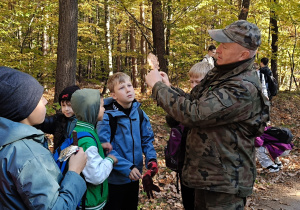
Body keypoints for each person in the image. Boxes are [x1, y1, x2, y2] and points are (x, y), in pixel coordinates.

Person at [145, 20, 270, 209]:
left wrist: (158, 88)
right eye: (219, 44)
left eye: (225, 46)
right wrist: (168, 88)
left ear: (244, 54)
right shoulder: (220, 74)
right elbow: (194, 103)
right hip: (206, 176)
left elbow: (195, 114)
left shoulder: (242, 87)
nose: (218, 50)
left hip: (225, 183)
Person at [0, 66, 87, 209]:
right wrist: (74, 172)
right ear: (23, 107)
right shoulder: (29, 157)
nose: (46, 101)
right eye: (39, 98)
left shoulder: (7, 144)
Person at [96, 72, 159, 210]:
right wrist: (127, 167)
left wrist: (151, 160)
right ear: (113, 95)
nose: (128, 89)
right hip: (114, 180)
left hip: (134, 177)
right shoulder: (107, 117)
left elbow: (147, 140)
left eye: (129, 85)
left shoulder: (140, 113)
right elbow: (104, 148)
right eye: (122, 88)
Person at [165, 62, 213, 210]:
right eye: (191, 81)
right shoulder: (189, 100)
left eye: (197, 82)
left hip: (204, 169)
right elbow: (171, 121)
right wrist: (168, 89)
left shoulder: (210, 103)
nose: (193, 85)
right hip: (185, 164)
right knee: (188, 201)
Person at [70, 88, 118, 209]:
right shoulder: (88, 141)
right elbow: (95, 175)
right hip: (90, 202)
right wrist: (110, 160)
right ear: (92, 110)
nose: (104, 109)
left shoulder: (81, 129)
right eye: (101, 106)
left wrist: (99, 147)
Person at [35, 85, 80, 151]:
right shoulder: (58, 120)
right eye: (63, 105)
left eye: (70, 105)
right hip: (59, 157)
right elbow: (42, 123)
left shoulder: (85, 120)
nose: (66, 109)